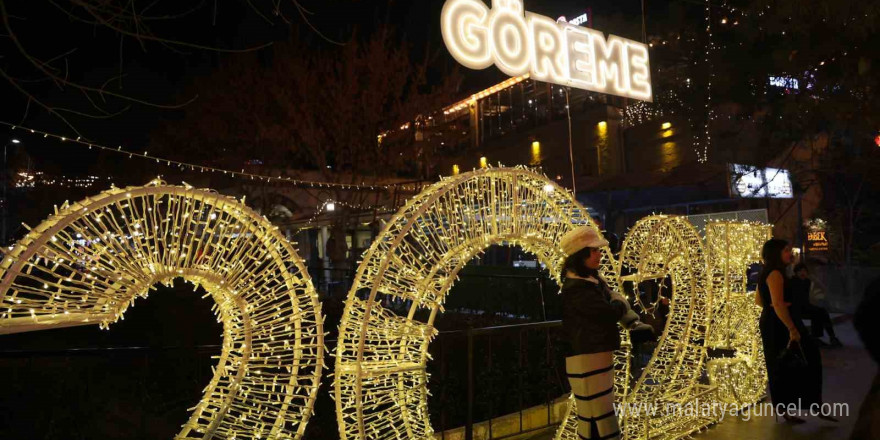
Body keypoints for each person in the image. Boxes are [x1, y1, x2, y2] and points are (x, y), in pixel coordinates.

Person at [559, 226, 654, 440]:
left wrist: (617, 303)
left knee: (601, 410)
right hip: (586, 358)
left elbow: (611, 302)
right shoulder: (576, 288)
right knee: (595, 413)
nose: (598, 255)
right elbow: (608, 312)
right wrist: (619, 303)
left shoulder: (591, 282)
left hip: (596, 355)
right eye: (593, 251)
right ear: (580, 255)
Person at [755, 238, 836, 424]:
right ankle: (809, 406)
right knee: (800, 360)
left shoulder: (767, 272)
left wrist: (777, 306)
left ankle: (793, 408)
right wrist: (791, 327)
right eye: (786, 250)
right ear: (776, 253)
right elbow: (775, 303)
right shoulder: (775, 273)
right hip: (781, 323)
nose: (790, 253)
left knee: (783, 364)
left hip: (773, 322)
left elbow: (759, 302)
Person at [789, 263, 842, 347]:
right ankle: (817, 337)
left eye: (804, 271)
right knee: (817, 312)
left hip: (805, 306)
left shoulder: (807, 281)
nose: (803, 273)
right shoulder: (793, 281)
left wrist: (816, 280)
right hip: (795, 309)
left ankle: (830, 337)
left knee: (821, 312)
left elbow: (823, 289)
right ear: (796, 273)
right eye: (800, 271)